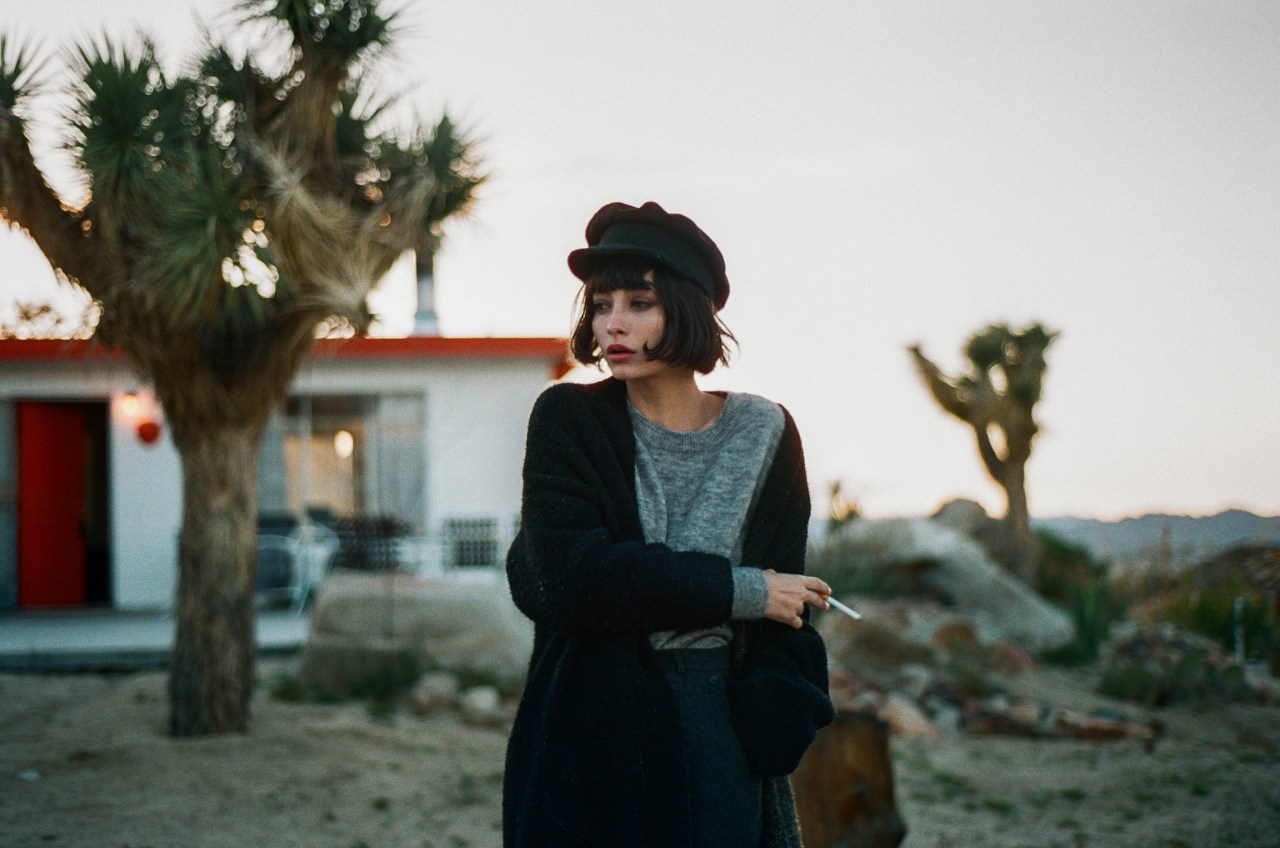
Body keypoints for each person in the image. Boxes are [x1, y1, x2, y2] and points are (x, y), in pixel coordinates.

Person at [503, 201, 835, 848]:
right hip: (591, 720)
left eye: (639, 303)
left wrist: (775, 720)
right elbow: (569, 579)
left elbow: (787, 596)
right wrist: (743, 591)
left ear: (686, 310)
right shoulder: (570, 417)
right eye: (601, 305)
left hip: (718, 719)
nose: (614, 324)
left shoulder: (762, 431)